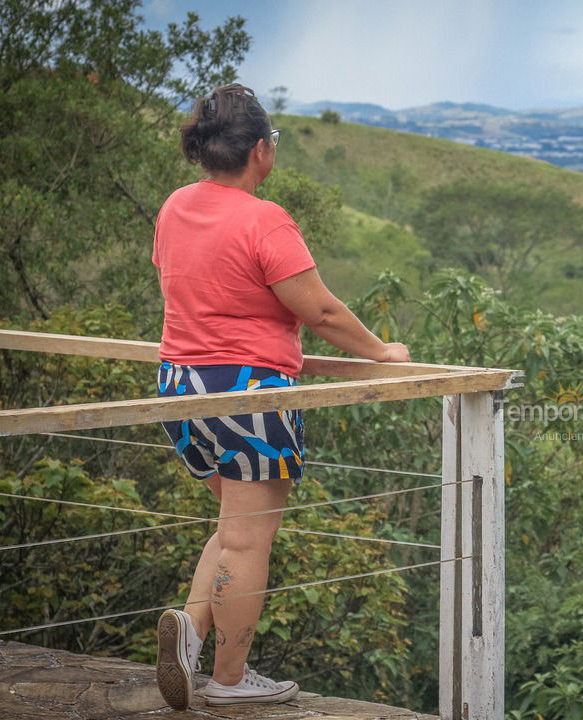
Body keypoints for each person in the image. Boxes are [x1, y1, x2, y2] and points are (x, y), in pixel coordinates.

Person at [150, 83, 410, 710]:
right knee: (248, 540)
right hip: (247, 392)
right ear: (262, 150)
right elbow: (317, 307)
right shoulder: (264, 219)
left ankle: (189, 633)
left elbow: (188, 282)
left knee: (233, 528)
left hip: (180, 385)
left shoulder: (176, 205)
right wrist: (382, 352)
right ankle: (230, 682)